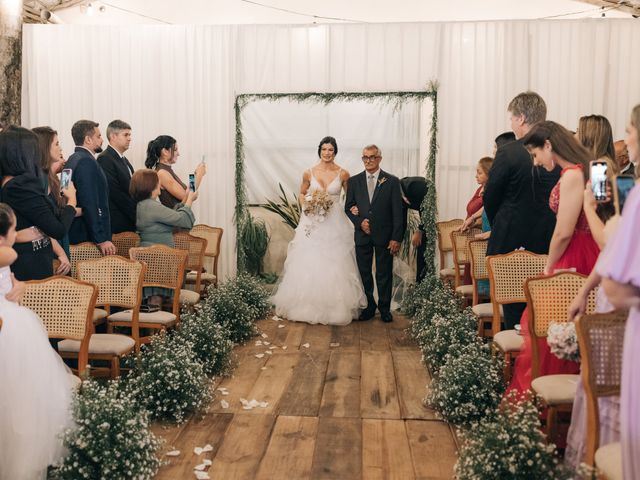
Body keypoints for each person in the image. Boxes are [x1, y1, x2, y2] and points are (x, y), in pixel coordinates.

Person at [507, 121, 600, 395]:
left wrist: (548, 267)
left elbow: (563, 232)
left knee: (550, 329)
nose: (535, 163)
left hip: (573, 256)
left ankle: (549, 403)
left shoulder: (572, 174)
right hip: (595, 252)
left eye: (535, 154)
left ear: (548, 145)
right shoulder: (596, 168)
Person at [0, 203, 74, 480]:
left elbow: (10, 277)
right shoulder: (5, 253)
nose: (16, 233)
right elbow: (8, 251)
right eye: (13, 228)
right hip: (8, 329)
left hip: (12, 319)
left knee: (18, 401)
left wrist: (18, 284)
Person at [588, 104, 640, 479]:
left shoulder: (600, 169)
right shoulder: (615, 170)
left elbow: (605, 216)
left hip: (612, 251)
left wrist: (593, 207)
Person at [483, 92, 561, 330]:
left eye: (511, 118)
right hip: (549, 237)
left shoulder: (509, 151)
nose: (510, 124)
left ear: (522, 118)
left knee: (514, 307)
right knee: (543, 306)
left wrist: (501, 221)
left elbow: (491, 196)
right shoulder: (557, 150)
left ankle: (515, 359)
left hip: (511, 239)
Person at [272, 136, 366, 326]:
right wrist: (306, 204)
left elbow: (351, 198)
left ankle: (335, 306)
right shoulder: (309, 173)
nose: (327, 153)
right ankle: (306, 305)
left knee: (335, 260)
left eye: (330, 150)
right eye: (324, 149)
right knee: (309, 258)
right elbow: (301, 192)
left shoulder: (343, 174)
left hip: (335, 221)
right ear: (319, 151)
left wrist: (355, 208)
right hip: (312, 221)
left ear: (335, 151)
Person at [0, 126, 77, 280]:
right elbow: (57, 228)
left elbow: (44, 221)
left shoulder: (13, 182)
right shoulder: (19, 185)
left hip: (31, 258)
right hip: (29, 263)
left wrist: (38, 230)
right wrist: (72, 200)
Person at [345, 144, 403, 323]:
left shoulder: (392, 181)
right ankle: (369, 305)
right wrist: (359, 222)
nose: (368, 161)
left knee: (384, 273)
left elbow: (399, 213)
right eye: (365, 157)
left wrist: (396, 238)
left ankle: (384, 308)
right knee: (364, 272)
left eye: (372, 157)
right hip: (362, 235)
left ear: (379, 159)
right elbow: (348, 207)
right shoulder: (354, 181)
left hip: (385, 236)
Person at [66, 120, 116, 255]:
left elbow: (63, 190)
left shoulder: (71, 159)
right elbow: (90, 202)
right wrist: (101, 239)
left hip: (72, 228)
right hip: (86, 235)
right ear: (88, 139)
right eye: (98, 136)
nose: (102, 140)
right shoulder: (86, 161)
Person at [32, 126, 72, 275]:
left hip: (56, 238)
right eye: (56, 144)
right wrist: (72, 200)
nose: (60, 148)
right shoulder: (38, 179)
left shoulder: (47, 177)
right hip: (50, 242)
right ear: (44, 147)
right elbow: (42, 223)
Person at [130, 169, 197, 247]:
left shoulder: (144, 204)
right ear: (151, 185)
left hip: (153, 253)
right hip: (161, 255)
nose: (160, 184)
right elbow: (183, 219)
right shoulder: (151, 206)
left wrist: (186, 196)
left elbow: (172, 216)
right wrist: (190, 199)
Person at [145, 135, 206, 209]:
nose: (178, 154)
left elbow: (187, 190)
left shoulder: (166, 170)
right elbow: (187, 197)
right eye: (175, 150)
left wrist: (195, 173)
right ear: (165, 152)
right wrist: (199, 175)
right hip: (176, 218)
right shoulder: (162, 173)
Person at [97, 120, 137, 234]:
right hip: (118, 223)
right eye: (126, 135)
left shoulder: (122, 159)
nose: (129, 138)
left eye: (130, 135)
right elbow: (115, 193)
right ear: (113, 136)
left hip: (128, 220)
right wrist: (136, 216)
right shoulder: (105, 158)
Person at [400, 176, 427, 283]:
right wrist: (397, 241)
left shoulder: (414, 185)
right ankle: (420, 284)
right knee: (420, 247)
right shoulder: (398, 195)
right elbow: (402, 220)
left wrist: (420, 230)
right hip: (424, 219)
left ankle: (424, 284)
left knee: (425, 249)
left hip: (432, 215)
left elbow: (428, 207)